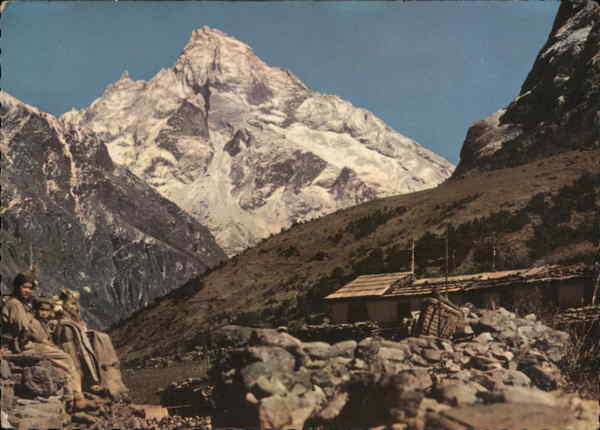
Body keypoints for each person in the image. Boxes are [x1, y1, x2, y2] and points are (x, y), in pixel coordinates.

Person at [1, 272, 94, 412]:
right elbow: (24, 329)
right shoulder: (15, 305)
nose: (28, 291)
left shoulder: (19, 304)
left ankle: (72, 397)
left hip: (20, 343)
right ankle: (76, 398)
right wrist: (39, 342)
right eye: (24, 287)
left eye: (30, 288)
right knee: (65, 358)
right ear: (17, 286)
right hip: (20, 346)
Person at [55, 288, 129, 401]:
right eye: (73, 304)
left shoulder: (74, 321)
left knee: (102, 338)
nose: (77, 307)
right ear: (64, 305)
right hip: (71, 355)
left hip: (77, 350)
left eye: (77, 304)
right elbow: (69, 349)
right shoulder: (65, 325)